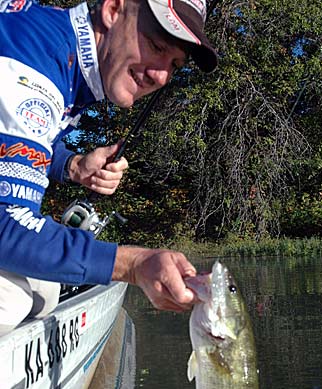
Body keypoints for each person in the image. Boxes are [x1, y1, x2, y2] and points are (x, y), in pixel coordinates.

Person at [0, 0, 217, 335]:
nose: (160, 75)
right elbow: (4, 223)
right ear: (113, 9)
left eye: (174, 64)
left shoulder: (57, 46)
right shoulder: (31, 60)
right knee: (9, 300)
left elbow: (20, 137)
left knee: (43, 289)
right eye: (157, 46)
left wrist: (72, 165)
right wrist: (133, 264)